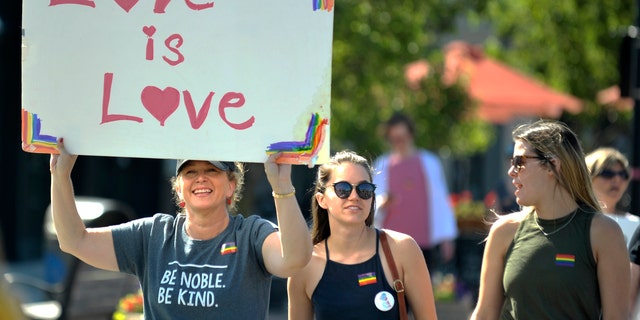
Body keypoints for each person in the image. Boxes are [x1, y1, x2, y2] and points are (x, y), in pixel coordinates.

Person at [49, 139, 312, 319]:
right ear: (178, 188)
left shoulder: (251, 235)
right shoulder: (153, 235)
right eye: (190, 172)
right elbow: (74, 240)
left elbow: (295, 259)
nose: (201, 177)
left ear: (231, 185)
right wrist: (59, 176)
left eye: (212, 170)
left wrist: (282, 187)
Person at [470, 120, 629, 319]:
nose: (511, 171)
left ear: (552, 165)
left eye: (519, 162)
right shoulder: (504, 231)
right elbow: (485, 314)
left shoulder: (603, 232)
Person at [287, 150, 437, 319]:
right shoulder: (305, 265)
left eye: (364, 189)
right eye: (342, 188)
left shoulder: (402, 249)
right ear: (322, 199)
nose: (354, 196)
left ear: (372, 197)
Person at [372, 112, 458, 273]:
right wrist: (383, 202)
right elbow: (373, 202)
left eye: (402, 137)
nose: (399, 143)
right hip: (389, 242)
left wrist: (447, 238)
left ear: (411, 135)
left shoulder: (430, 163)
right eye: (394, 139)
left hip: (422, 242)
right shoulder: (382, 164)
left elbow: (440, 201)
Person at [585, 147, 639, 247]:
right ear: (587, 177)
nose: (617, 179)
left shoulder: (637, 224)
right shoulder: (576, 222)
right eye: (607, 173)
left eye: (623, 174)